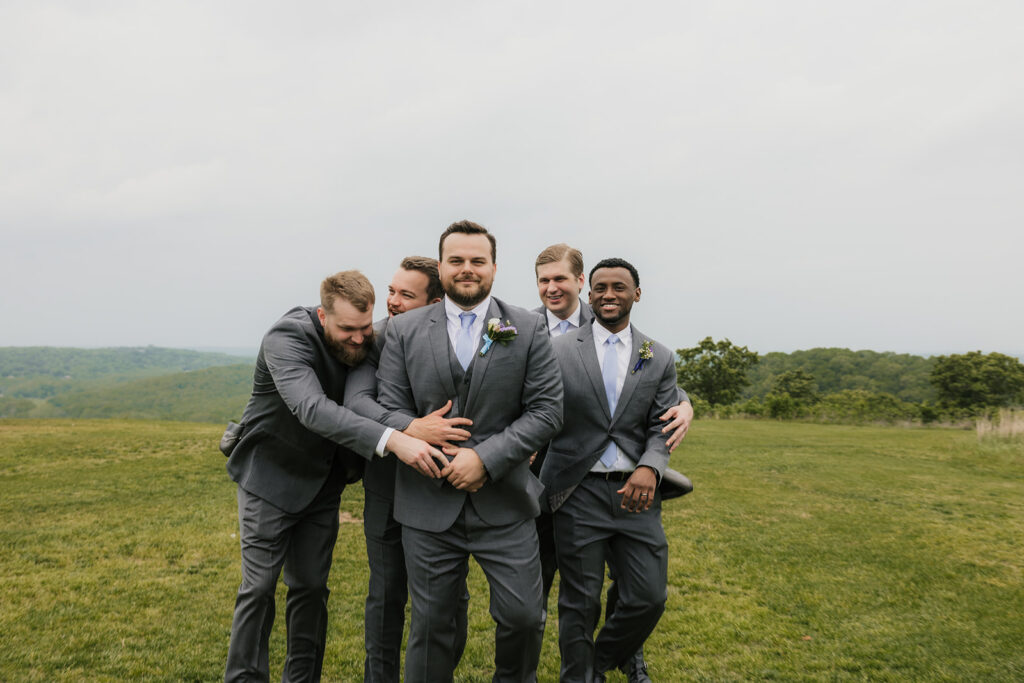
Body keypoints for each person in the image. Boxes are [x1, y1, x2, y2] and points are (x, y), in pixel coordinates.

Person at [222, 271, 443, 682]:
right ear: (323, 317)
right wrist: (394, 439)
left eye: (365, 327)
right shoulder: (285, 338)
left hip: (322, 483)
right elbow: (312, 408)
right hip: (268, 477)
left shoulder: (369, 338)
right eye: (347, 330)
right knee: (259, 588)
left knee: (310, 589)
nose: (359, 339)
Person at [376, 220, 563, 682]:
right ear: (440, 267)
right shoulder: (404, 331)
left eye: (477, 261)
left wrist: (486, 459)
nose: (466, 269)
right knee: (432, 623)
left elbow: (547, 411)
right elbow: (385, 406)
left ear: (494, 267)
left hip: (506, 502)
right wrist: (411, 428)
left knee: (523, 617)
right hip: (426, 503)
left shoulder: (528, 327)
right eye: (456, 260)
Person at [532, 243, 692, 683]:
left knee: (648, 596)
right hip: (575, 492)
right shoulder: (559, 350)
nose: (608, 294)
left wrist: (650, 466)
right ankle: (580, 677)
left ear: (636, 294)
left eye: (618, 287)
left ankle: (598, 661)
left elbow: (663, 423)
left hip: (637, 492)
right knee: (579, 600)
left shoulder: (657, 355)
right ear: (589, 293)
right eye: (600, 287)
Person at [343, 257, 472, 682]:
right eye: (392, 291)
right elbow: (358, 401)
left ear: (436, 302)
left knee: (450, 600)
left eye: (406, 295)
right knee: (386, 595)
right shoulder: (377, 339)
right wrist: (411, 427)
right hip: (387, 486)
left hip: (445, 490)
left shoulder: (465, 337)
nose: (393, 302)